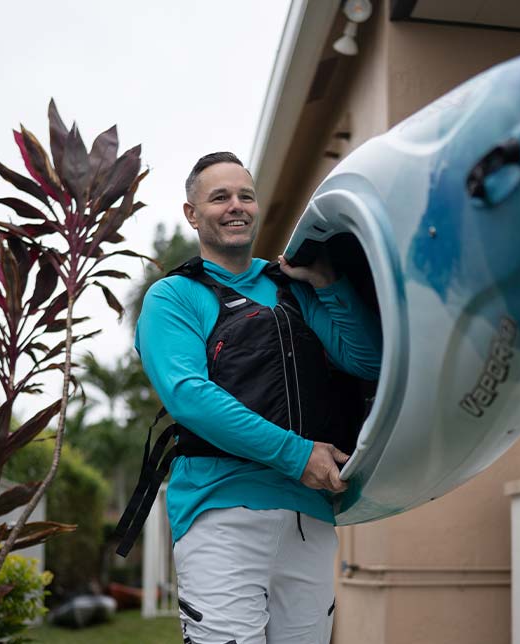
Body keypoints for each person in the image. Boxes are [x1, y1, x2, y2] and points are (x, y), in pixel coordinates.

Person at [132, 151, 381, 644]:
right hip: (219, 510)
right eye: (219, 197)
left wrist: (329, 283)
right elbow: (190, 397)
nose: (236, 206)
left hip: (309, 514)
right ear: (192, 213)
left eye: (245, 195)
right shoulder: (174, 297)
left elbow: (368, 362)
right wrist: (298, 454)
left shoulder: (293, 287)